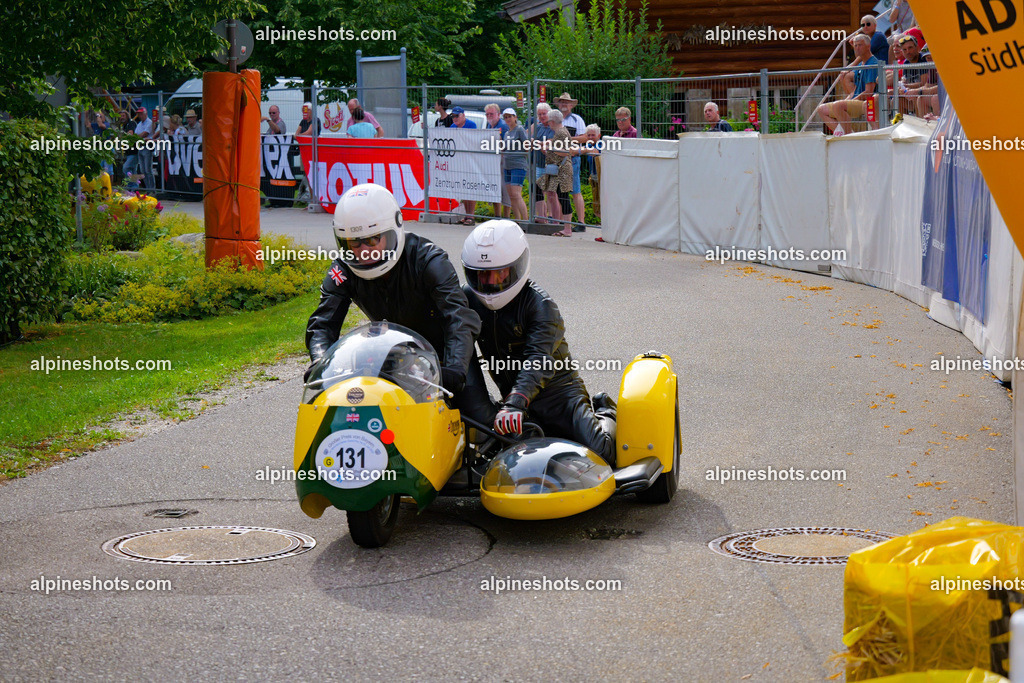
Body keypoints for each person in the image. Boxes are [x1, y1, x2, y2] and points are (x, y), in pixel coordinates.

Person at [305, 183, 491, 424]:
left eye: (372, 240)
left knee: (479, 418)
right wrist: (321, 362)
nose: (364, 251)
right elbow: (322, 324)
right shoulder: (343, 269)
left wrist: (455, 370)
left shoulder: (429, 259)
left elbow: (458, 318)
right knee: (362, 416)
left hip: (446, 353)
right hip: (390, 354)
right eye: (354, 243)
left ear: (393, 229)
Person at [461, 220, 617, 465]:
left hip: (560, 398)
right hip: (514, 402)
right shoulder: (468, 298)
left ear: (517, 266)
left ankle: (606, 410)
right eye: (482, 274)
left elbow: (538, 360)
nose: (490, 283)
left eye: (499, 273)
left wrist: (516, 400)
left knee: (603, 455)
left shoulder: (541, 306)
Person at [815, 34, 879, 135]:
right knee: (821, 109)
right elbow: (851, 91)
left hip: (866, 102)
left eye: (860, 45)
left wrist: (850, 101)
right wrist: (842, 81)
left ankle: (848, 134)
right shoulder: (860, 64)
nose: (857, 48)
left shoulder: (872, 63)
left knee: (838, 105)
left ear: (868, 46)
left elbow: (868, 92)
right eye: (855, 45)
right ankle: (842, 132)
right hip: (857, 100)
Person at [537, 109, 573, 237]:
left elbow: (565, 151)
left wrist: (550, 148)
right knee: (542, 188)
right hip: (558, 169)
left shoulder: (562, 133)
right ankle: (561, 224)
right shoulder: (560, 132)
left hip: (562, 170)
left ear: (552, 121)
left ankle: (567, 228)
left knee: (564, 198)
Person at [554, 92, 587, 231]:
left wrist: (566, 139)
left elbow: (584, 138)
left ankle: (581, 222)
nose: (563, 104)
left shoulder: (577, 119)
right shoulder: (555, 120)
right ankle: (563, 221)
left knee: (575, 191)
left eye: (566, 102)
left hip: (572, 158)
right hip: (558, 159)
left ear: (571, 105)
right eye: (561, 102)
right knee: (560, 191)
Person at [448, 106, 478, 225]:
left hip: (469, 161)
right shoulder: (452, 127)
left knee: (470, 188)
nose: (455, 118)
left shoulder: (471, 125)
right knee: (463, 188)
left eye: (457, 116)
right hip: (458, 161)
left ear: (463, 115)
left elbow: (473, 142)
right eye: (453, 116)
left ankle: (471, 215)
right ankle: (466, 214)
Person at [898, 34, 936, 118]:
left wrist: (909, 88)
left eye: (910, 48)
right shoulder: (906, 63)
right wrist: (902, 88)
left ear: (917, 48)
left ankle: (919, 125)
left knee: (917, 97)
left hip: (927, 95)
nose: (908, 51)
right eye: (904, 49)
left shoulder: (924, 59)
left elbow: (924, 83)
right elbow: (905, 80)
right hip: (916, 93)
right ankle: (902, 126)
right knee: (896, 100)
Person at [501, 109, 529, 221]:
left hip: (518, 164)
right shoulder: (507, 133)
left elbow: (527, 147)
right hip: (507, 165)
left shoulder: (520, 129)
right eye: (506, 117)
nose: (508, 119)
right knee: (511, 195)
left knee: (516, 194)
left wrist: (517, 152)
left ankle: (526, 221)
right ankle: (517, 221)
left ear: (515, 117)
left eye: (510, 116)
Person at [485, 103, 511, 219]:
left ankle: (506, 217)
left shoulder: (503, 126)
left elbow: (508, 145)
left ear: (498, 114)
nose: (489, 116)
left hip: (503, 162)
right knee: (495, 188)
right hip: (492, 162)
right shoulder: (489, 125)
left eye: (492, 114)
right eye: (487, 114)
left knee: (505, 190)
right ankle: (497, 216)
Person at [530, 103, 554, 224]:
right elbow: (529, 138)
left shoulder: (554, 127)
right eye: (539, 114)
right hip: (539, 163)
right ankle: (541, 216)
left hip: (551, 164)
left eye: (544, 113)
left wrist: (537, 143)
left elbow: (549, 146)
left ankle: (552, 217)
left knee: (551, 191)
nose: (542, 116)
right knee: (538, 190)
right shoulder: (538, 127)